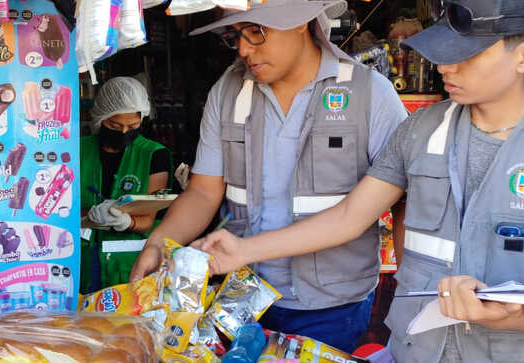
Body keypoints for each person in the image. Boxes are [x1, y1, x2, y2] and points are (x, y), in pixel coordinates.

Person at [195, 1, 524, 362]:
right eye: (442, 53)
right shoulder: (419, 131)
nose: (444, 67)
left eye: (463, 55)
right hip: (418, 351)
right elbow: (350, 216)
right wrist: (244, 251)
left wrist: (509, 317)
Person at [130, 0, 407, 352]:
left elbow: (399, 203)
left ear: (300, 23)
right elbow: (203, 192)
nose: (244, 49)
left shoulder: (369, 94)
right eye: (236, 36)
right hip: (243, 299)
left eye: (256, 32)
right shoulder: (229, 92)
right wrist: (159, 241)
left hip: (333, 305)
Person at [80, 77, 172, 293]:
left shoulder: (153, 154)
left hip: (130, 267)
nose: (123, 132)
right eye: (114, 125)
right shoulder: (77, 150)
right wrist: (89, 216)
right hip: (82, 263)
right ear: (100, 117)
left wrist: (126, 221)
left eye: (132, 126)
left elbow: (149, 218)